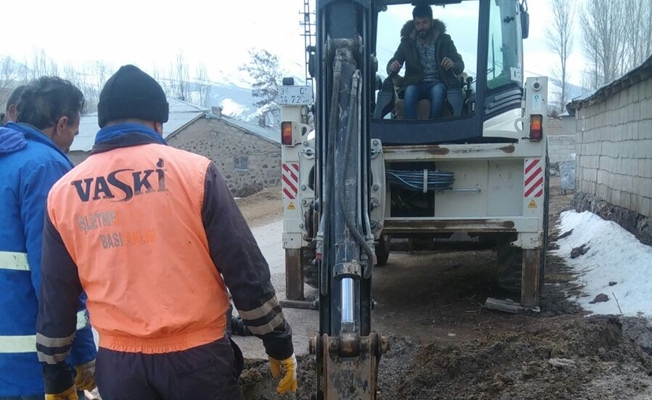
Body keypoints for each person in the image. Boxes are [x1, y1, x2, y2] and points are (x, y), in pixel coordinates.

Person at [36, 65, 297, 400]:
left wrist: (56, 376)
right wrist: (278, 342)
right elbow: (244, 269)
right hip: (198, 363)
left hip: (120, 368)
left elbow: (56, 295)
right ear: (158, 122)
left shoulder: (63, 193)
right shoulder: (195, 173)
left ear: (103, 124)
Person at [0, 77, 97, 399]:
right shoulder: (45, 166)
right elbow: (55, 276)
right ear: (62, 123)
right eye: (73, 132)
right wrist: (82, 352)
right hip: (31, 366)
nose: (71, 141)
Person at [387, 4, 464, 119]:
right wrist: (392, 67)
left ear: (431, 22)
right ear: (414, 24)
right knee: (409, 92)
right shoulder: (406, 43)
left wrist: (452, 65)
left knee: (438, 92)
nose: (421, 26)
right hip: (415, 83)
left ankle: (433, 128)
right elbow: (391, 64)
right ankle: (409, 129)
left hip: (437, 83)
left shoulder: (444, 41)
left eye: (424, 22)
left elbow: (460, 64)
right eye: (418, 23)